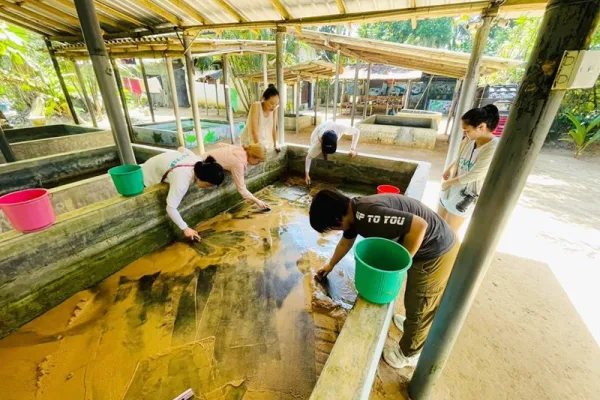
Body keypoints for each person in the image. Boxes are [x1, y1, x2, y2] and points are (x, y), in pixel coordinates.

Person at [309, 189, 459, 369]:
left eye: (331, 228)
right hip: (428, 243)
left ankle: (409, 354)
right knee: (413, 301)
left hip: (436, 249)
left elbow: (419, 226)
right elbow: (345, 242)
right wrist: (330, 265)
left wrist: (401, 263)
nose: (334, 231)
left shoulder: (368, 216)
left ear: (336, 220)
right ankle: (411, 326)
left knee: (420, 301)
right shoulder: (354, 211)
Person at [439, 105, 500, 232]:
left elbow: (474, 175)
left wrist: (447, 183)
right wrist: (449, 169)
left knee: (449, 233)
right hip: (451, 188)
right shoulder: (469, 140)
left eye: (467, 130)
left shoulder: (492, 147)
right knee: (438, 224)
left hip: (466, 195)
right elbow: (460, 157)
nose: (465, 133)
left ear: (481, 127)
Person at [142, 147, 225, 241]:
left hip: (156, 161)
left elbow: (181, 149)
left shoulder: (198, 161)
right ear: (201, 178)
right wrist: (185, 228)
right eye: (208, 185)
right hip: (148, 173)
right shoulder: (182, 181)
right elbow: (170, 208)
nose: (208, 188)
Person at [202, 143, 270, 210]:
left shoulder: (239, 149)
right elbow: (242, 189)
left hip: (201, 157)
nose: (257, 164)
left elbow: (219, 145)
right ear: (252, 156)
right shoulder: (239, 164)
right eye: (258, 161)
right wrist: (258, 201)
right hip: (200, 167)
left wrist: (224, 164)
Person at [304, 121, 361, 186]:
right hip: (317, 134)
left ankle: (325, 155)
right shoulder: (317, 142)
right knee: (316, 152)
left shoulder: (340, 128)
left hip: (329, 125)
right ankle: (324, 154)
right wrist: (307, 175)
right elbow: (309, 157)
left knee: (323, 152)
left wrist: (352, 149)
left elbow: (357, 131)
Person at [240, 84, 280, 152]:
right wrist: (259, 149)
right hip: (250, 139)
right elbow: (253, 131)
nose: (274, 106)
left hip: (263, 140)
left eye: (276, 104)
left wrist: (275, 144)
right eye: (271, 103)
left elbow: (274, 128)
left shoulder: (274, 109)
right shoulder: (256, 106)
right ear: (264, 99)